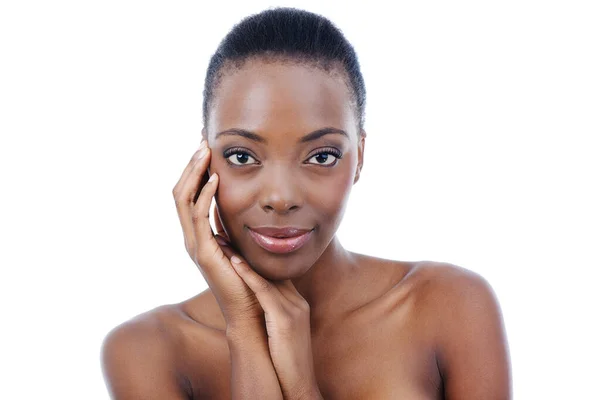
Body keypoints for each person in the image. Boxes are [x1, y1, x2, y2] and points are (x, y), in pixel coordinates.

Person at [101, 7, 511, 399]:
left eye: (321, 156)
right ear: (203, 161)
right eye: (242, 156)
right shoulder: (147, 350)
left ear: (360, 158)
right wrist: (244, 328)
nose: (281, 198)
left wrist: (300, 388)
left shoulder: (450, 306)